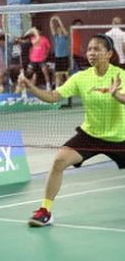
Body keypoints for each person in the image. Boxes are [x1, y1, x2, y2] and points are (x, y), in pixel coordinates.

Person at [18, 34, 125, 227]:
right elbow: (53, 97)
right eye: (89, 49)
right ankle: (45, 210)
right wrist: (31, 87)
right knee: (59, 160)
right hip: (90, 135)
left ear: (109, 53)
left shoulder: (120, 75)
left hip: (121, 137)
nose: (91, 53)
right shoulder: (81, 78)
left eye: (97, 49)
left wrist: (116, 94)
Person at [50, 15, 70, 88]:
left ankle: (69, 87)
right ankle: (57, 87)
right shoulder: (56, 37)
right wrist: (52, 20)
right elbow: (52, 28)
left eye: (60, 29)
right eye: (58, 29)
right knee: (57, 74)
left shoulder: (65, 37)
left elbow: (63, 28)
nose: (59, 30)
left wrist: (58, 20)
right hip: (58, 58)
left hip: (64, 57)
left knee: (66, 73)